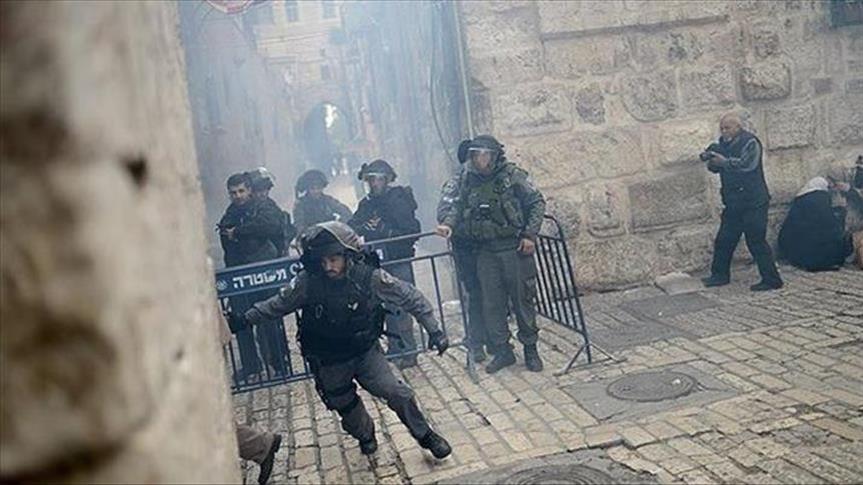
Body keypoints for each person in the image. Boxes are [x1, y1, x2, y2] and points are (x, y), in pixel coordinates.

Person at [229, 222, 452, 459]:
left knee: (397, 392)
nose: (328, 267)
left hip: (365, 352)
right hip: (329, 359)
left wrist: (434, 330)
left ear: (348, 256)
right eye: (323, 261)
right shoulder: (308, 282)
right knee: (346, 406)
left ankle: (426, 435)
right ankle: (366, 435)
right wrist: (245, 319)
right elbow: (278, 305)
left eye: (334, 260)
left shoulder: (369, 277)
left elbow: (409, 296)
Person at [436, 135, 546, 374]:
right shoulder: (467, 179)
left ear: (495, 155)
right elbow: (457, 206)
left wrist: (530, 235)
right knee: (491, 304)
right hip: (485, 251)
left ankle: (531, 349)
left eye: (485, 154)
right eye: (476, 155)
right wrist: (448, 224)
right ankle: (503, 350)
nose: (480, 159)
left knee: (522, 300)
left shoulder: (512, 175)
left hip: (513, 248)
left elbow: (536, 202)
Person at [348, 159, 422, 368]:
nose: (375, 184)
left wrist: (385, 230)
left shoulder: (398, 200)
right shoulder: (367, 203)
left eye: (379, 179)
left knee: (401, 305)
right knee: (385, 306)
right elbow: (352, 225)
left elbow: (411, 231)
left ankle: (409, 351)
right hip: (378, 262)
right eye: (371, 180)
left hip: (398, 260)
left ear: (387, 180)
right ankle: (395, 348)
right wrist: (365, 227)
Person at [700, 113, 784, 291]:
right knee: (724, 239)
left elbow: (747, 165)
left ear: (738, 127)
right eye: (722, 128)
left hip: (754, 202)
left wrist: (724, 162)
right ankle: (719, 275)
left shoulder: (751, 142)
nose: (724, 131)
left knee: (756, 241)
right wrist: (711, 159)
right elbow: (714, 168)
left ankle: (772, 280)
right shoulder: (722, 144)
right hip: (734, 203)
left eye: (727, 128)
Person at [219, 172, 288, 380]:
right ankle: (251, 366)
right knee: (241, 321)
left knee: (270, 318)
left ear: (249, 190)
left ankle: (279, 364)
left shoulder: (262, 206)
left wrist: (238, 232)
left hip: (264, 273)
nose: (238, 196)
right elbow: (226, 236)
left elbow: (269, 225)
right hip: (239, 275)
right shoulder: (230, 213)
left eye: (241, 191)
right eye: (233, 193)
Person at [436, 139, 489, 363]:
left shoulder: (488, 179)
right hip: (467, 248)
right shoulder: (456, 183)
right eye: (475, 156)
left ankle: (495, 339)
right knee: (475, 294)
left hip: (488, 246)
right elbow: (443, 213)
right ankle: (475, 342)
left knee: (493, 293)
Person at [778, 177, 854, 271]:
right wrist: (842, 209)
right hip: (815, 253)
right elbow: (831, 226)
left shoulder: (802, 199)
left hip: (794, 251)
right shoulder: (821, 198)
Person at [247, 167, 298, 257]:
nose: (263, 194)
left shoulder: (271, 205)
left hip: (278, 255)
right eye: (259, 191)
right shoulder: (248, 209)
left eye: (266, 190)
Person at [293, 169, 353, 236]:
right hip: (311, 238)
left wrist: (338, 226)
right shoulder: (300, 205)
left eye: (318, 188)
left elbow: (345, 212)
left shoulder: (328, 200)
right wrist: (310, 232)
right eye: (312, 188)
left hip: (329, 235)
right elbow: (299, 225)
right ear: (307, 189)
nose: (316, 191)